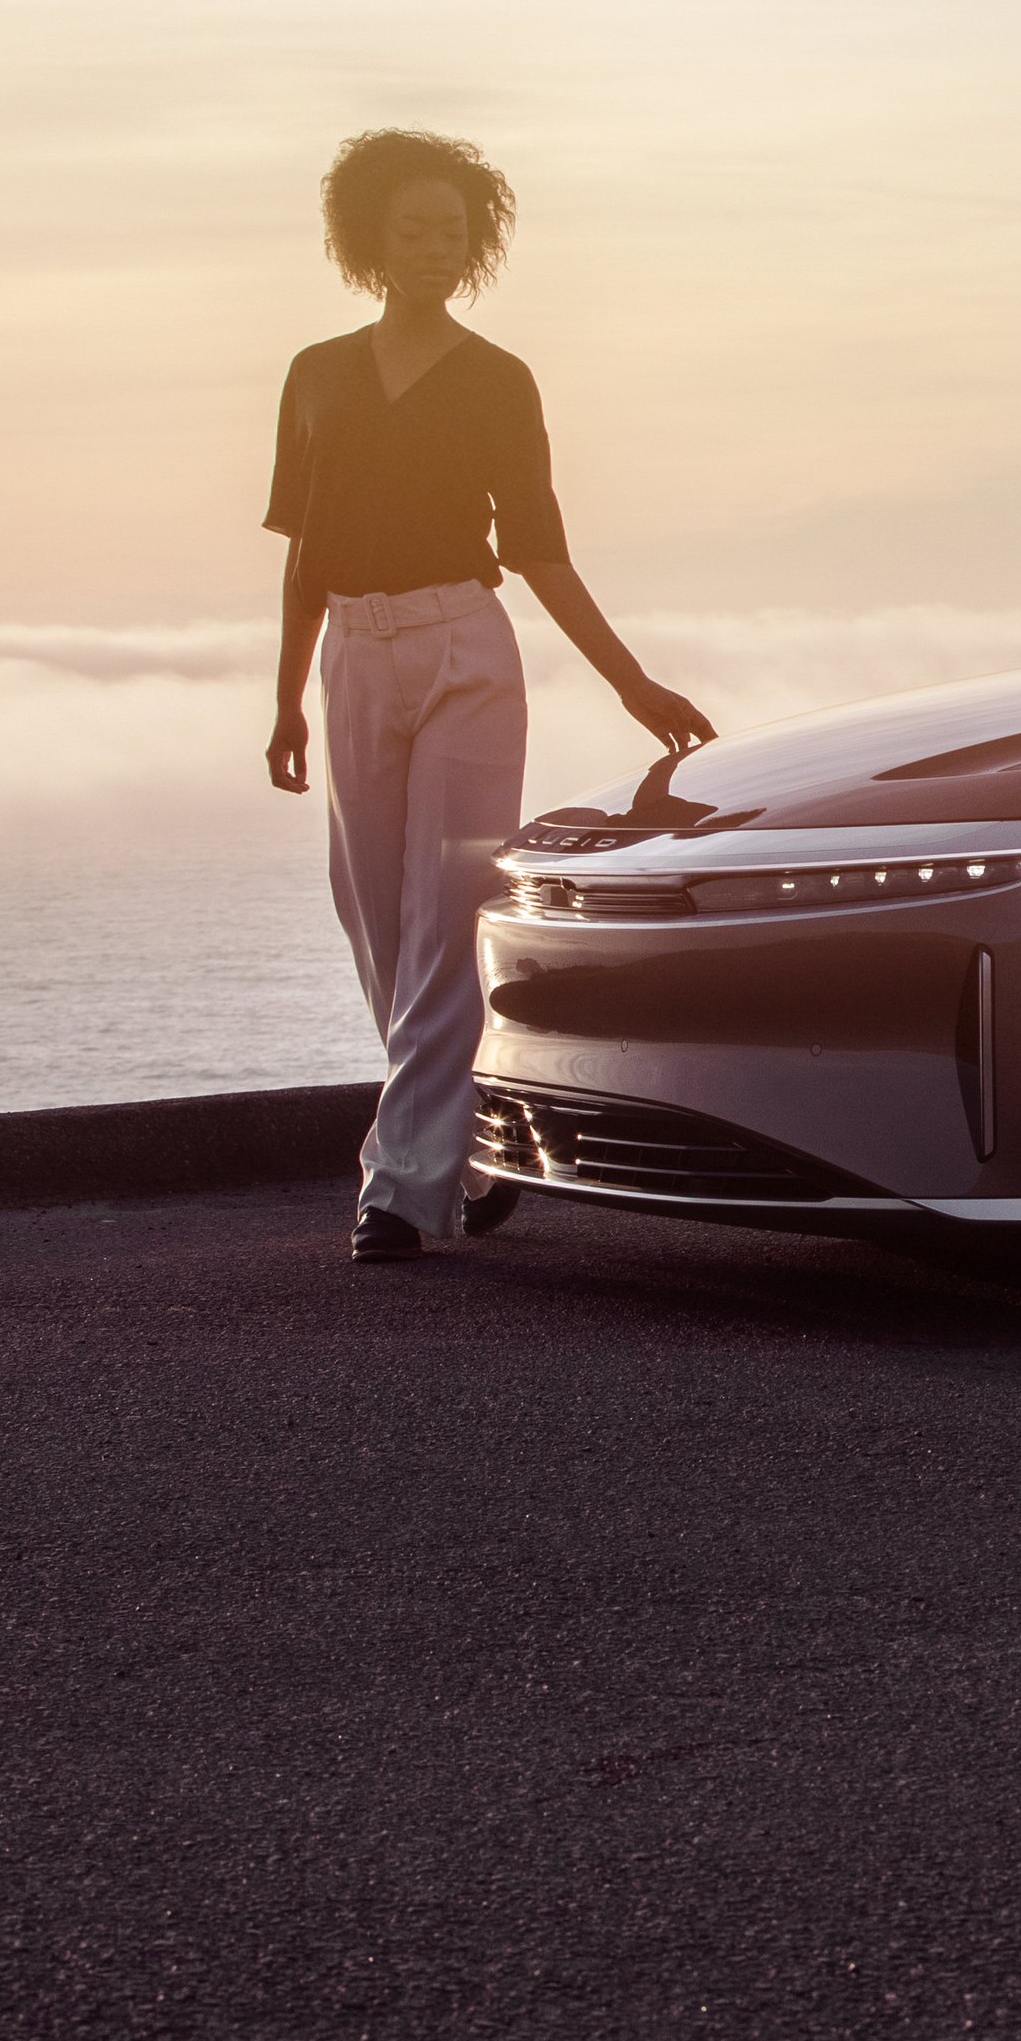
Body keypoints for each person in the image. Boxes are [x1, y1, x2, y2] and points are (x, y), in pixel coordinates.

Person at [262, 129, 713, 1262]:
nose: (435, 249)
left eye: (453, 233)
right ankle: (462, 1144)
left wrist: (630, 682)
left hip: (465, 647)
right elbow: (305, 553)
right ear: (370, 240)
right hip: (353, 652)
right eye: (413, 229)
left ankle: (397, 1192)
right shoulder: (315, 373)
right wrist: (286, 699)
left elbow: (541, 552)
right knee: (373, 915)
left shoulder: (500, 379)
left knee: (445, 910)